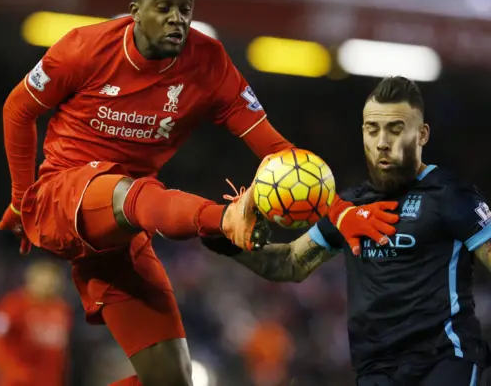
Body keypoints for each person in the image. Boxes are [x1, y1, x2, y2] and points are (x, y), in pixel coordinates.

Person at [0, 0, 398, 386]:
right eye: (164, 7)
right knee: (130, 193)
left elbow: (279, 152)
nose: (177, 19)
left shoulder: (208, 64)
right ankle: (224, 217)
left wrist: (338, 211)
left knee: (173, 379)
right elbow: (18, 110)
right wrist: (23, 200)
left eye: (185, 9)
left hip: (127, 224)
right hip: (65, 193)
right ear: (135, 10)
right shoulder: (84, 47)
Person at [202, 76, 491, 385]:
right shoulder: (349, 208)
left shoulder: (451, 196)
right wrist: (225, 239)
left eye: (395, 129)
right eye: (372, 129)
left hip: (445, 360)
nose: (382, 141)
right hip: (376, 369)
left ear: (422, 135)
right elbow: (290, 263)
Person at [0, 260, 73, 386]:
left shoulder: (61, 309)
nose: (50, 286)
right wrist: (13, 369)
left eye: (53, 282)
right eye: (45, 281)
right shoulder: (11, 305)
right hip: (17, 381)